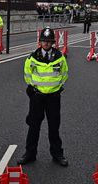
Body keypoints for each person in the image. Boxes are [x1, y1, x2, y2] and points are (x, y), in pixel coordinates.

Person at [17, 27, 69, 167]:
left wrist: (57, 88)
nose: (46, 43)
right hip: (37, 96)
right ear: (40, 42)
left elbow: (64, 74)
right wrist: (33, 89)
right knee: (33, 126)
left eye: (49, 41)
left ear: (53, 42)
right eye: (44, 41)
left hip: (53, 97)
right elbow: (27, 74)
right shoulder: (32, 57)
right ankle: (30, 153)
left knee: (54, 127)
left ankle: (57, 154)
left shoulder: (59, 57)